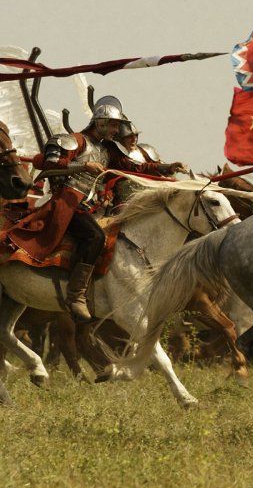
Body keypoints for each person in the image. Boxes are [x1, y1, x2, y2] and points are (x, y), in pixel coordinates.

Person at [7, 96, 184, 322]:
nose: (116, 131)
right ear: (100, 122)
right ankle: (75, 295)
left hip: (96, 207)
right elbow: (49, 163)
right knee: (94, 236)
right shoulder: (74, 141)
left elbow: (134, 167)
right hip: (68, 204)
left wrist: (167, 167)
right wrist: (83, 165)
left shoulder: (107, 149)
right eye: (113, 125)